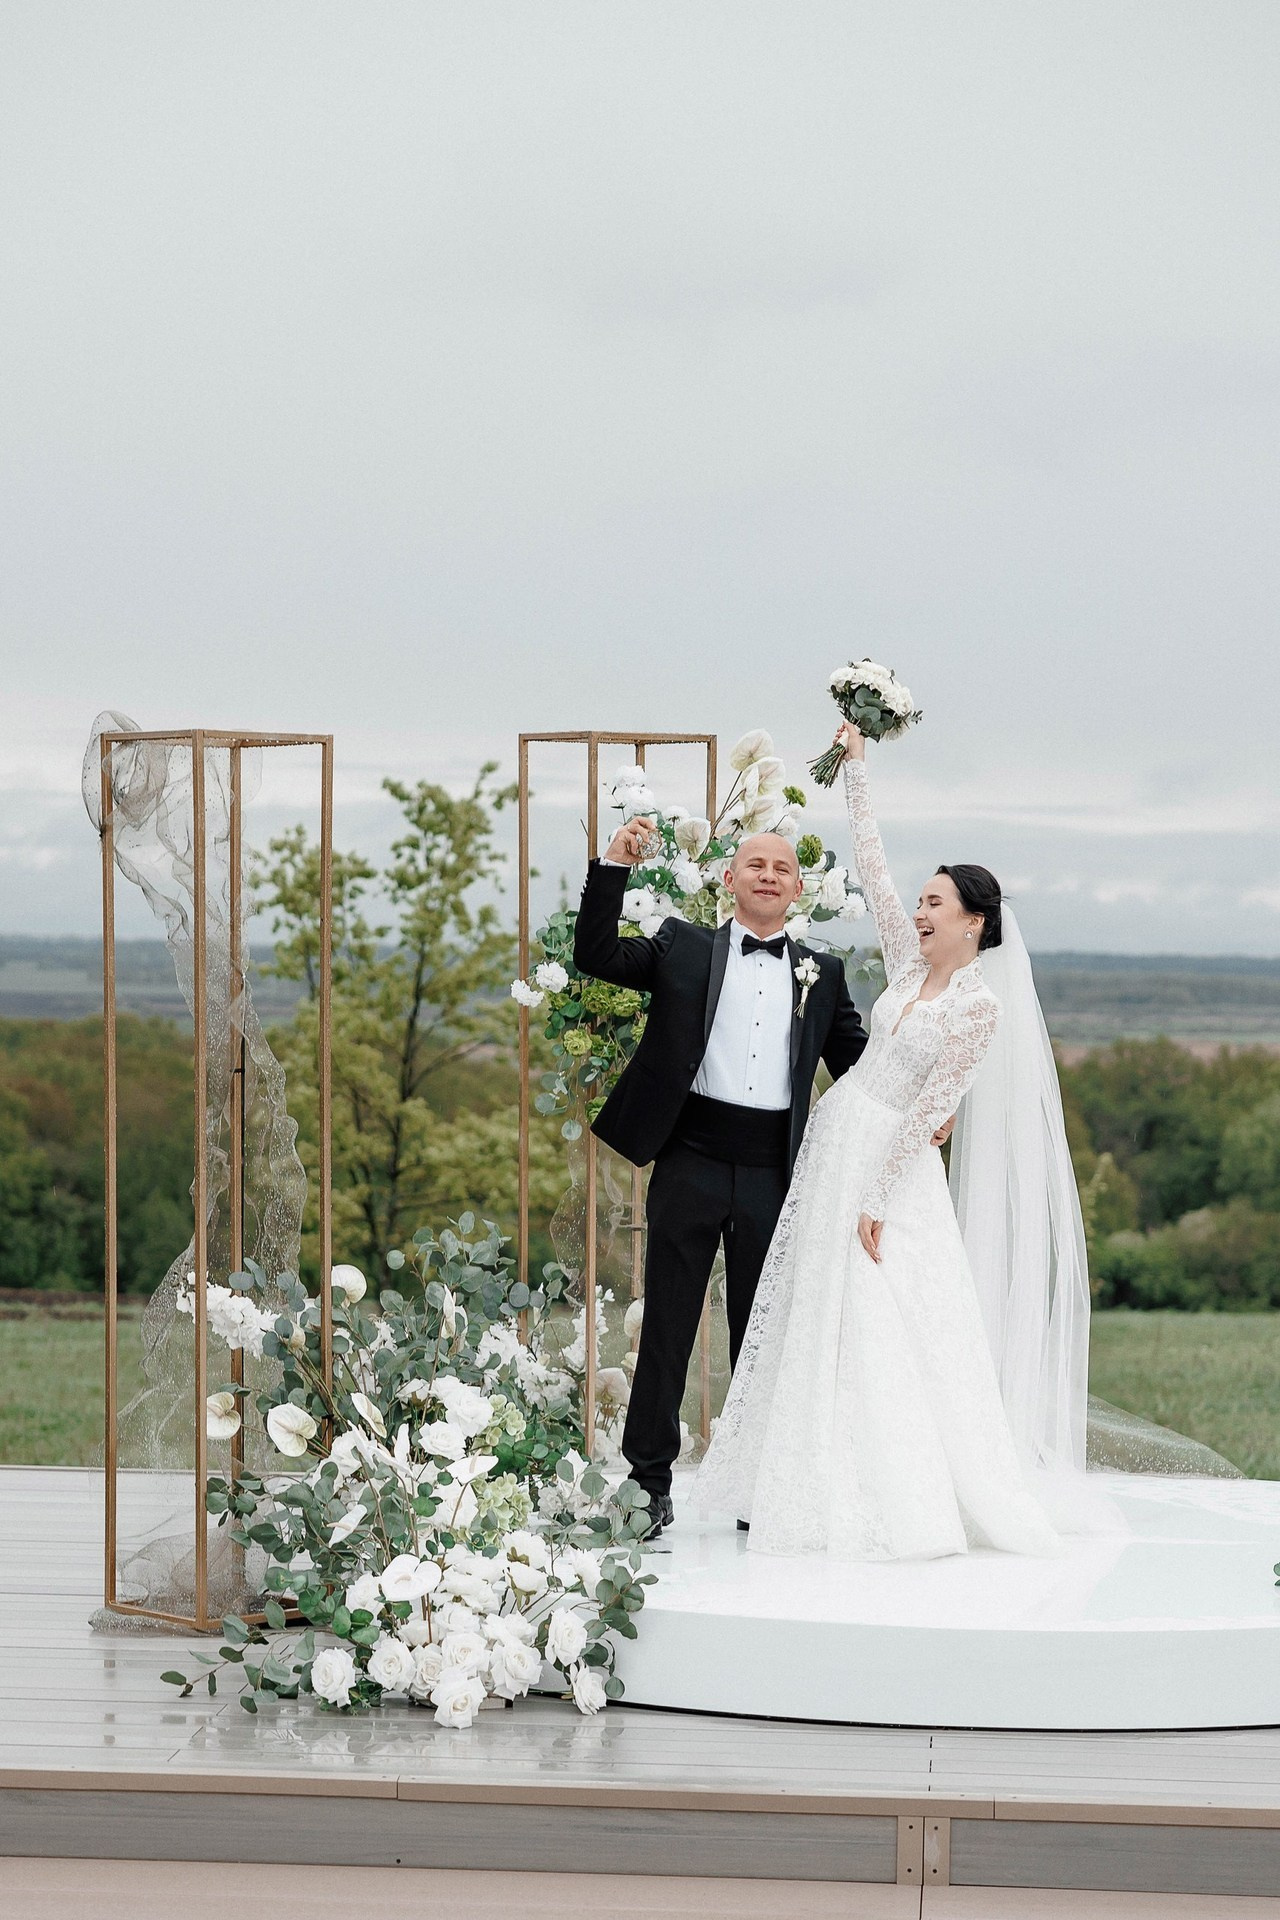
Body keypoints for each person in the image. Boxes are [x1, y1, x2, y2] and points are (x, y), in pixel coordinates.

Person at [695, 720, 1064, 1560]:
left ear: (974, 923)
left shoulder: (978, 1007)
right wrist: (857, 772)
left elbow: (930, 1112)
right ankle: (794, 1474)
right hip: (835, 1138)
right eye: (925, 902)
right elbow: (871, 866)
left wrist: (874, 1196)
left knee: (880, 1320)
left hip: (886, 1165)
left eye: (937, 904)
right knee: (811, 1311)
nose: (921, 911)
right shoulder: (907, 964)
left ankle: (889, 1489)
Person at [573, 818, 870, 1535]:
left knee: (761, 1334)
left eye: (782, 867)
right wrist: (613, 865)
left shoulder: (822, 975)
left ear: (799, 888)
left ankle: (755, 1484)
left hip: (776, 1172)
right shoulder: (683, 946)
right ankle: (648, 1486)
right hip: (692, 1160)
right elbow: (596, 954)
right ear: (730, 879)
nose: (768, 874)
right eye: (754, 864)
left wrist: (923, 1104)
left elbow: (860, 1065)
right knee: (670, 1327)